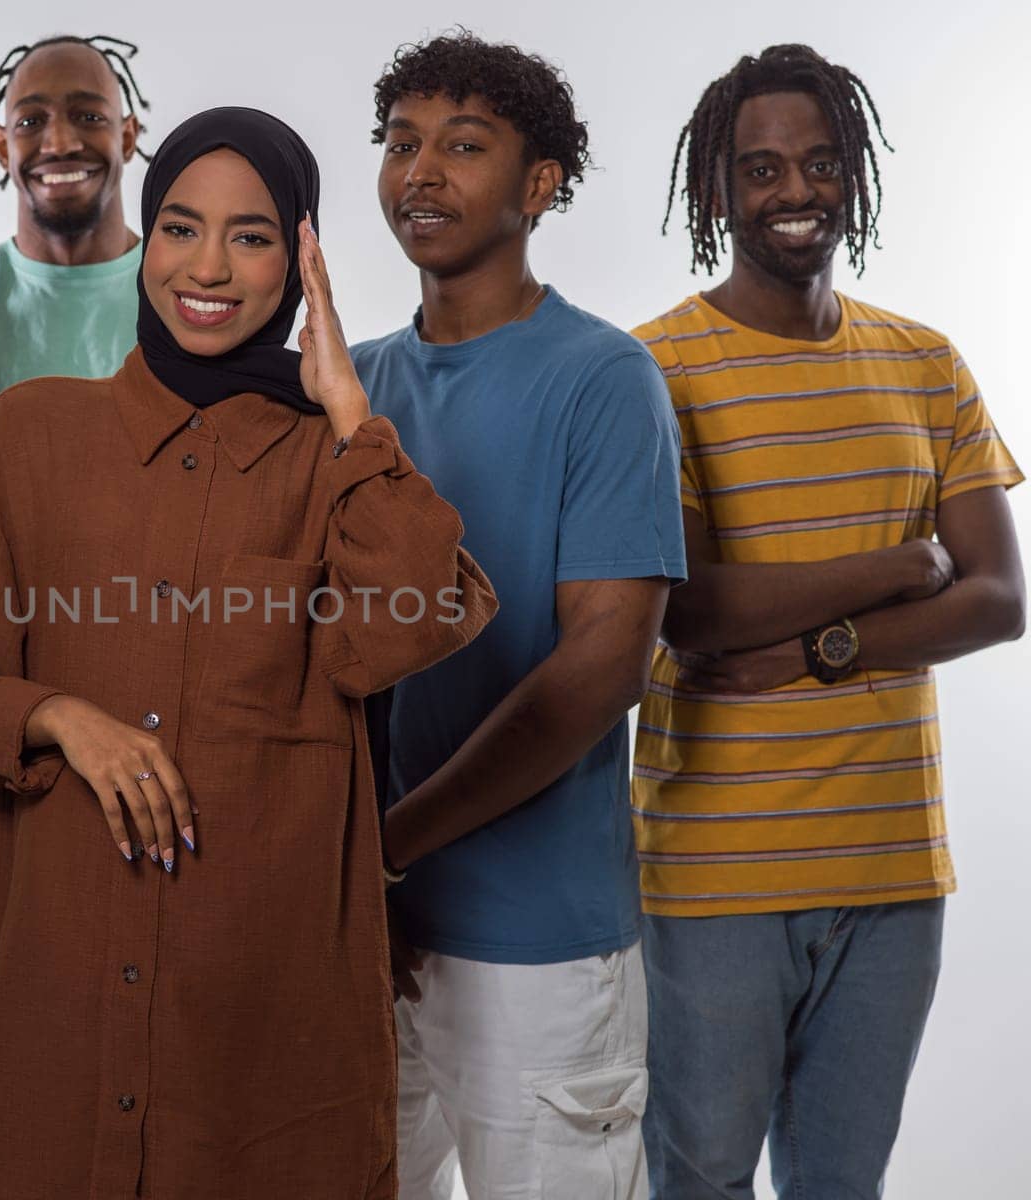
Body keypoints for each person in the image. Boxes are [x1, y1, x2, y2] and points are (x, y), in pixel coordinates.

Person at [0, 107, 496, 1199]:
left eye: (254, 236)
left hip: (263, 1059)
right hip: (64, 1023)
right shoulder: (31, 435)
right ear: (143, 237)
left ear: (301, 262)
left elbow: (415, 617)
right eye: (179, 226)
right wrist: (61, 718)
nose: (207, 266)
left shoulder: (335, 467)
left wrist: (351, 412)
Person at [634, 43, 1025, 1199]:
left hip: (893, 866)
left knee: (842, 1185)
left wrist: (819, 648)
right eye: (758, 170)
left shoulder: (927, 362)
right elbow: (693, 607)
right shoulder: (653, 370)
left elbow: (998, 599)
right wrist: (906, 561)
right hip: (711, 869)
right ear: (716, 189)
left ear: (852, 172)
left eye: (817, 163)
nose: (792, 192)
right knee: (698, 1176)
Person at [350, 32, 686, 1200]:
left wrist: (390, 848)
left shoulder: (602, 377)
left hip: (539, 951)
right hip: (366, 940)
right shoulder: (353, 382)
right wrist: (355, 881)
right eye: (400, 142)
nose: (420, 172)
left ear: (539, 185)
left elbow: (599, 672)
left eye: (464, 145)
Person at [0, 34, 149, 388]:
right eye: (30, 122)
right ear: (3, 148)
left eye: (90, 116)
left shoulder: (184, 296)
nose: (60, 144)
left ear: (127, 137)